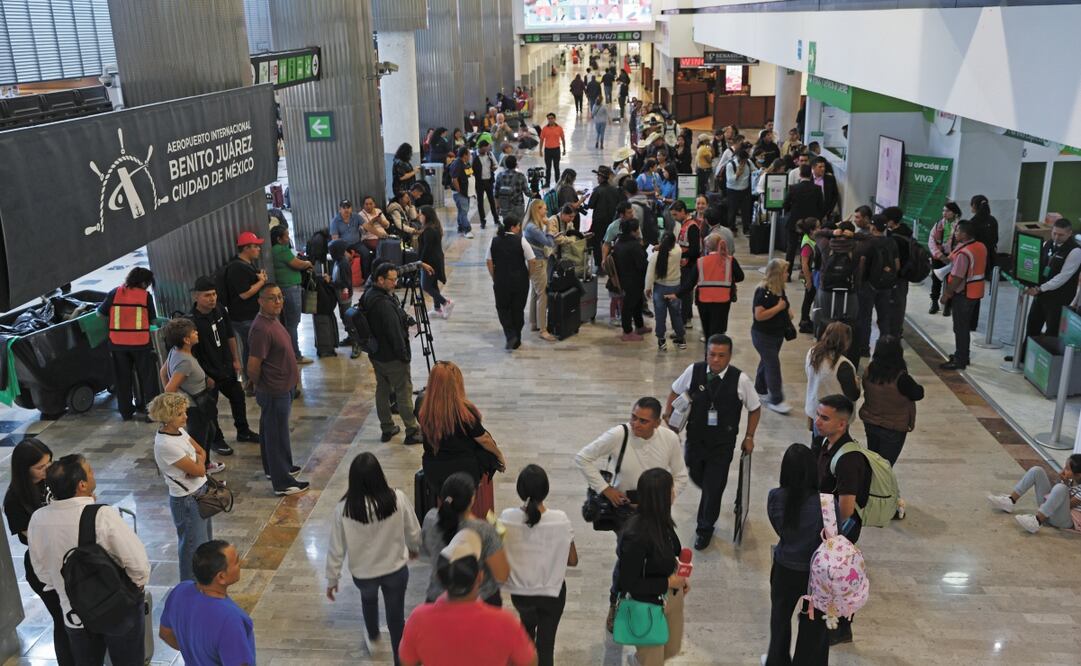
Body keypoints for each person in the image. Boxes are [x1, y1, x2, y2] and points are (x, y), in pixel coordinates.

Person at [28, 454, 151, 666]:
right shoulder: (102, 515)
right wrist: (135, 590)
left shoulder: (38, 519)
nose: (94, 472)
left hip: (75, 615)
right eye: (90, 470)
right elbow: (139, 565)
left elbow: (43, 574)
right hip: (118, 609)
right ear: (82, 485)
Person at [574, 397, 688, 622]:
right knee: (626, 557)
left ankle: (654, 598)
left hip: (657, 511)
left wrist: (666, 497)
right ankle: (615, 601)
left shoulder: (669, 439)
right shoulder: (619, 434)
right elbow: (583, 457)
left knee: (659, 553)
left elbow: (681, 475)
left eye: (643, 421)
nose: (635, 424)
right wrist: (606, 489)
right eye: (633, 417)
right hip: (626, 512)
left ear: (657, 423)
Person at [665, 334, 761, 550]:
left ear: (729, 356)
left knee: (713, 486)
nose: (715, 360)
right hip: (696, 439)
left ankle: (705, 527)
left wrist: (749, 436)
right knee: (696, 474)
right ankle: (710, 495)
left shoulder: (740, 380)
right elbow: (674, 390)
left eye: (721, 355)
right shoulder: (694, 371)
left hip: (722, 444)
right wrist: (668, 415)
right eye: (711, 354)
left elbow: (755, 408)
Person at [325, 453, 420, 664]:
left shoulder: (344, 509)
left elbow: (336, 549)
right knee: (396, 618)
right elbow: (413, 531)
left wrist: (332, 580)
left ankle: (374, 637)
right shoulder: (398, 499)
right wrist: (414, 548)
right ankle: (400, 659)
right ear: (380, 475)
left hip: (364, 574)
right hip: (395, 570)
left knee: (368, 600)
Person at [400, 528, 536, 666]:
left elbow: (407, 662)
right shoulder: (506, 622)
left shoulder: (418, 619)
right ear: (480, 577)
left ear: (440, 579)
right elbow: (529, 662)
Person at [3, 439, 74, 666]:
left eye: (49, 463)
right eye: (40, 467)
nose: (47, 471)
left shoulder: (52, 479)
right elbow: (32, 538)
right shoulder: (14, 499)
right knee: (63, 620)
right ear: (24, 469)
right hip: (42, 566)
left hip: (69, 558)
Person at [500, 465, 577, 666]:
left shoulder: (506, 517)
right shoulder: (560, 519)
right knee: (546, 646)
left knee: (526, 632)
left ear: (520, 490)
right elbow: (573, 560)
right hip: (552, 594)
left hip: (521, 594)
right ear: (546, 490)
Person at [811, 394, 871, 645]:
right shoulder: (827, 444)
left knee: (839, 578)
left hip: (841, 530)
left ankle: (842, 628)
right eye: (818, 415)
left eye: (825, 418)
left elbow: (846, 507)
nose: (817, 421)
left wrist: (834, 538)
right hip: (830, 526)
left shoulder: (848, 459)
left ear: (842, 424)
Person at [765, 444, 832, 666]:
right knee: (812, 624)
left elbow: (778, 528)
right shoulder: (825, 504)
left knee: (780, 621)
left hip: (784, 568)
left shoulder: (775, 497)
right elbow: (834, 535)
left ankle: (777, 660)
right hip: (816, 576)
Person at [615, 468, 688, 666]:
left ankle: (637, 661)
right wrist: (667, 582)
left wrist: (677, 577)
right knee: (653, 660)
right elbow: (629, 582)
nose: (674, 494)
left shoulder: (662, 521)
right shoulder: (635, 535)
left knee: (671, 648)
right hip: (647, 606)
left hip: (671, 596)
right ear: (661, 497)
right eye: (671, 490)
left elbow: (670, 553)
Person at [418, 360, 507, 517]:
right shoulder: (464, 412)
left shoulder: (423, 408)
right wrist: (499, 454)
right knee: (486, 454)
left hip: (434, 471)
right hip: (465, 472)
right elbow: (484, 439)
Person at [247, 284, 309, 495]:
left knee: (270, 430)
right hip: (274, 390)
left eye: (280, 297)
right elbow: (253, 365)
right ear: (260, 301)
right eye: (272, 298)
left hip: (283, 387)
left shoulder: (273, 321)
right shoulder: (261, 328)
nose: (278, 301)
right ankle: (282, 482)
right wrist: (259, 385)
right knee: (276, 434)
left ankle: (276, 468)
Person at [188, 276, 259, 452]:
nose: (212, 298)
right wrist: (205, 376)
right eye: (207, 295)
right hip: (208, 372)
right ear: (196, 297)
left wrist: (236, 360)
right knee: (210, 409)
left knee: (238, 397)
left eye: (214, 294)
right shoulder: (191, 321)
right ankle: (216, 440)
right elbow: (191, 354)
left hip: (226, 367)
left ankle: (243, 431)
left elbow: (230, 335)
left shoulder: (220, 310)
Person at [159, 540, 257, 666]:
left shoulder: (179, 592)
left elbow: (165, 633)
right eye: (236, 562)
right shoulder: (230, 619)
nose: (241, 564)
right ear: (221, 577)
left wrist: (194, 652)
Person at [148, 391, 212, 582]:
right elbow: (200, 469)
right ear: (167, 417)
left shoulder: (179, 431)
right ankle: (189, 588)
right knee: (193, 549)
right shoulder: (166, 444)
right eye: (180, 414)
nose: (185, 416)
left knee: (205, 545)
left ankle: (202, 585)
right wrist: (198, 463)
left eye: (184, 412)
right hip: (187, 501)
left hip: (199, 493)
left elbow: (201, 452)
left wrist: (198, 462)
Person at [420, 473, 510, 605]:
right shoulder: (484, 531)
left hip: (438, 598)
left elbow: (426, 552)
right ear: (472, 499)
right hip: (480, 599)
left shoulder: (430, 519)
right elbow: (502, 575)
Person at [361, 263, 423, 444]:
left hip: (377, 354)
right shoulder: (384, 305)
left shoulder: (369, 294)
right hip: (392, 356)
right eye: (392, 279)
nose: (395, 283)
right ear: (381, 280)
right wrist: (404, 356)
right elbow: (395, 333)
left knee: (382, 389)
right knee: (404, 392)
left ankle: (387, 428)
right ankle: (412, 431)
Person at [1007, 216, 1081, 363]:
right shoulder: (1047, 244)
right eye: (1054, 233)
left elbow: (1062, 277)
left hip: (1058, 297)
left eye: (1061, 235)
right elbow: (1037, 267)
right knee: (1033, 324)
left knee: (1051, 330)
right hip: (1041, 294)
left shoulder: (1075, 252)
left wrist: (1041, 288)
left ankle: (1044, 363)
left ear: (1069, 233)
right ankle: (1022, 357)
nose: (1056, 237)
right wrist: (1029, 283)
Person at [159, 317, 224, 474]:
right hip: (195, 407)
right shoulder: (185, 361)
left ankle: (205, 464)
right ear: (186, 340)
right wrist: (179, 406)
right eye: (193, 332)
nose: (196, 333)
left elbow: (163, 372)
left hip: (198, 404)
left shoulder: (175, 351)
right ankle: (198, 473)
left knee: (210, 431)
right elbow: (170, 388)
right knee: (199, 439)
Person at [98, 266, 159, 421]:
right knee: (148, 378)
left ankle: (126, 412)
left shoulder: (115, 292)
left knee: (122, 379)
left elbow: (100, 314)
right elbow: (153, 321)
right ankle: (151, 413)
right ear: (145, 283)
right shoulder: (145, 296)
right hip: (141, 344)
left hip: (118, 344)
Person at [859, 336, 924, 466]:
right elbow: (918, 394)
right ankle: (878, 486)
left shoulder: (870, 370)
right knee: (885, 467)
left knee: (874, 461)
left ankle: (870, 484)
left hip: (871, 422)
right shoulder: (902, 378)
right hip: (893, 428)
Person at [988, 454, 1081, 534]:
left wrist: (1063, 484)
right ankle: (1010, 500)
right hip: (1051, 511)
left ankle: (1037, 521)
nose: (1063, 470)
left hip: (1064, 520)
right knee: (1037, 470)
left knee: (1061, 488)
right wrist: (1064, 482)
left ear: (1078, 475)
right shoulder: (1072, 480)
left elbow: (1067, 504)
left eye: (1067, 468)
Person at [223, 231, 269, 388]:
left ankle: (252, 381)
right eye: (256, 247)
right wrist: (261, 283)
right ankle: (251, 382)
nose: (259, 250)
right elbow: (244, 294)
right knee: (252, 350)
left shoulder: (246, 265)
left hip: (249, 316)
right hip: (244, 317)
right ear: (246, 248)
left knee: (252, 348)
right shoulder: (237, 268)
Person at [939, 221, 986, 370]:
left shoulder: (964, 254)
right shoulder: (980, 246)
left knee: (960, 327)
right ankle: (962, 355)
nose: (955, 233)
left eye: (958, 231)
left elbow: (958, 276)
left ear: (965, 234)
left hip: (963, 293)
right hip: (975, 292)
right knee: (963, 326)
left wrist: (947, 294)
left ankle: (960, 359)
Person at [487, 214, 535, 351]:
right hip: (520, 280)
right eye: (519, 226)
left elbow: (489, 261)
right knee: (518, 308)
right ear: (513, 227)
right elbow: (532, 260)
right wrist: (529, 275)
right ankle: (516, 336)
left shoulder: (494, 241)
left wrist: (494, 276)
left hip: (501, 280)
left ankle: (510, 335)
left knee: (503, 308)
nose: (520, 229)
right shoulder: (522, 241)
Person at [753, 259, 794, 413]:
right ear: (777, 274)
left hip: (776, 334)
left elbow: (785, 306)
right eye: (785, 272)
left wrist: (787, 311)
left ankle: (760, 388)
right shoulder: (763, 291)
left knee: (767, 361)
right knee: (773, 365)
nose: (788, 274)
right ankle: (776, 399)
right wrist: (779, 308)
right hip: (763, 335)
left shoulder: (779, 289)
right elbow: (759, 315)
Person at [270, 225, 314, 364]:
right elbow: (297, 264)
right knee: (293, 323)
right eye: (286, 235)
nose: (288, 237)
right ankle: (295, 354)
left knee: (289, 322)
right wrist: (307, 262)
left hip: (285, 288)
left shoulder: (275, 250)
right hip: (290, 289)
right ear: (279, 239)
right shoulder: (281, 249)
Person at [804, 322, 860, 431]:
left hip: (816, 408)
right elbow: (853, 395)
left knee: (816, 442)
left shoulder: (813, 353)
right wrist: (857, 383)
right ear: (846, 341)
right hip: (835, 418)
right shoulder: (843, 365)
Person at [696, 233, 745, 338]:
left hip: (704, 301)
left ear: (707, 247)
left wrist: (677, 294)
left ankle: (708, 348)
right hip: (723, 301)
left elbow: (690, 281)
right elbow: (741, 276)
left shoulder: (700, 261)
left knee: (707, 330)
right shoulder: (730, 260)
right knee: (719, 329)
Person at [523, 201, 558, 342]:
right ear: (537, 209)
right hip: (538, 263)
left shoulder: (531, 225)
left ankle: (534, 322)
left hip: (535, 262)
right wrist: (549, 226)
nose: (547, 211)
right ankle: (543, 330)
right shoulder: (533, 228)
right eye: (544, 208)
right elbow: (549, 242)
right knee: (542, 295)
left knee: (535, 293)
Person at [646, 231, 685, 351]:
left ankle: (661, 341)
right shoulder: (678, 251)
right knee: (676, 314)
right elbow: (676, 245)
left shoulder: (655, 256)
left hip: (660, 289)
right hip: (675, 288)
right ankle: (680, 339)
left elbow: (650, 274)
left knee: (660, 315)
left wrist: (647, 288)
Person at [613, 218, 651, 341]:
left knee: (638, 302)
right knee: (629, 305)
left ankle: (639, 326)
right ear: (633, 231)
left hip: (624, 277)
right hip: (634, 279)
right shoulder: (634, 245)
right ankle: (627, 331)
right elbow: (642, 264)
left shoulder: (619, 242)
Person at [784, 165, 825, 275]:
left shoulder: (793, 188)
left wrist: (790, 211)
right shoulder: (817, 189)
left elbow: (785, 204)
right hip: (810, 224)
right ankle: (805, 272)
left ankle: (787, 273)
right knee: (809, 248)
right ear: (811, 174)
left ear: (800, 174)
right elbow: (821, 207)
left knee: (791, 248)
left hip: (794, 222)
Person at [417, 205, 452, 319]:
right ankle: (437, 309)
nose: (419, 216)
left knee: (426, 286)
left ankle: (446, 303)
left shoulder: (429, 230)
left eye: (420, 214)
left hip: (430, 262)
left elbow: (427, 249)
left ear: (426, 215)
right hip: (435, 259)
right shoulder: (434, 227)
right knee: (433, 284)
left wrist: (420, 262)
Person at [928, 202, 961, 315]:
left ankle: (948, 305)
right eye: (943, 210)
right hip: (939, 257)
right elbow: (931, 240)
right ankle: (934, 303)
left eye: (947, 211)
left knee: (951, 282)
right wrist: (939, 255)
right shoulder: (938, 224)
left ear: (955, 213)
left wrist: (951, 257)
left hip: (953, 258)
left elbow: (963, 243)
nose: (944, 213)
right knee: (936, 280)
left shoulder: (960, 226)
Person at [797, 217, 821, 333]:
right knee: (808, 299)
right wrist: (809, 281)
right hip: (809, 275)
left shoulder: (812, 238)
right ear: (812, 230)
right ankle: (804, 322)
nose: (820, 229)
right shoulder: (807, 244)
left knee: (809, 298)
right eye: (818, 227)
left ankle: (805, 320)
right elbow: (804, 264)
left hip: (811, 275)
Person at [447, 147, 475, 238]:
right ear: (465, 155)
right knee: (464, 211)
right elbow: (454, 179)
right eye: (469, 154)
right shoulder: (457, 164)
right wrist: (459, 191)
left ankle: (460, 227)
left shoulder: (465, 163)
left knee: (462, 210)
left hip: (466, 192)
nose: (470, 156)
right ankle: (467, 229)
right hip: (460, 193)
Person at [472, 139, 499, 229]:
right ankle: (482, 221)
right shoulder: (474, 156)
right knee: (480, 202)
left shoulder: (490, 154)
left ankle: (496, 219)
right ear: (481, 148)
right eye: (486, 148)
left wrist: (493, 168)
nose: (487, 150)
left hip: (489, 181)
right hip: (479, 182)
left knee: (492, 200)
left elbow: (496, 165)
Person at [495, 155, 529, 222]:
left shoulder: (500, 175)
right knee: (518, 227)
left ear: (506, 164)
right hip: (518, 205)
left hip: (505, 206)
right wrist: (533, 194)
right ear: (516, 164)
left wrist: (497, 207)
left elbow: (496, 193)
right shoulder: (520, 176)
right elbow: (527, 192)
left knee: (508, 226)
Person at [539, 113, 566, 188]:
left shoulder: (559, 128)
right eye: (549, 118)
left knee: (556, 167)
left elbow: (563, 138)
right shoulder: (544, 129)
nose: (550, 120)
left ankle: (558, 183)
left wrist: (564, 149)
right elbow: (541, 140)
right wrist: (540, 150)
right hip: (547, 150)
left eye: (552, 118)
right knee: (548, 168)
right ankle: (547, 183)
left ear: (555, 119)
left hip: (556, 150)